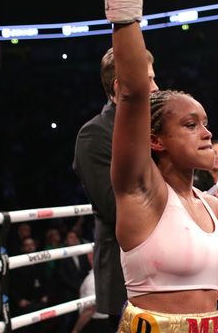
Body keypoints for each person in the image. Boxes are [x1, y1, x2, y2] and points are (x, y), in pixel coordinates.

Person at [98, 0, 218, 332]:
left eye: (204, 122)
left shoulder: (214, 206)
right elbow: (131, 92)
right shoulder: (141, 193)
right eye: (190, 125)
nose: (207, 133)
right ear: (157, 140)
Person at [73, 45, 157, 331]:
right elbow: (114, 206)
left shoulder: (153, 126)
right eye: (148, 80)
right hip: (127, 270)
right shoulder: (94, 134)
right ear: (120, 86)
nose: (156, 88)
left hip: (164, 266)